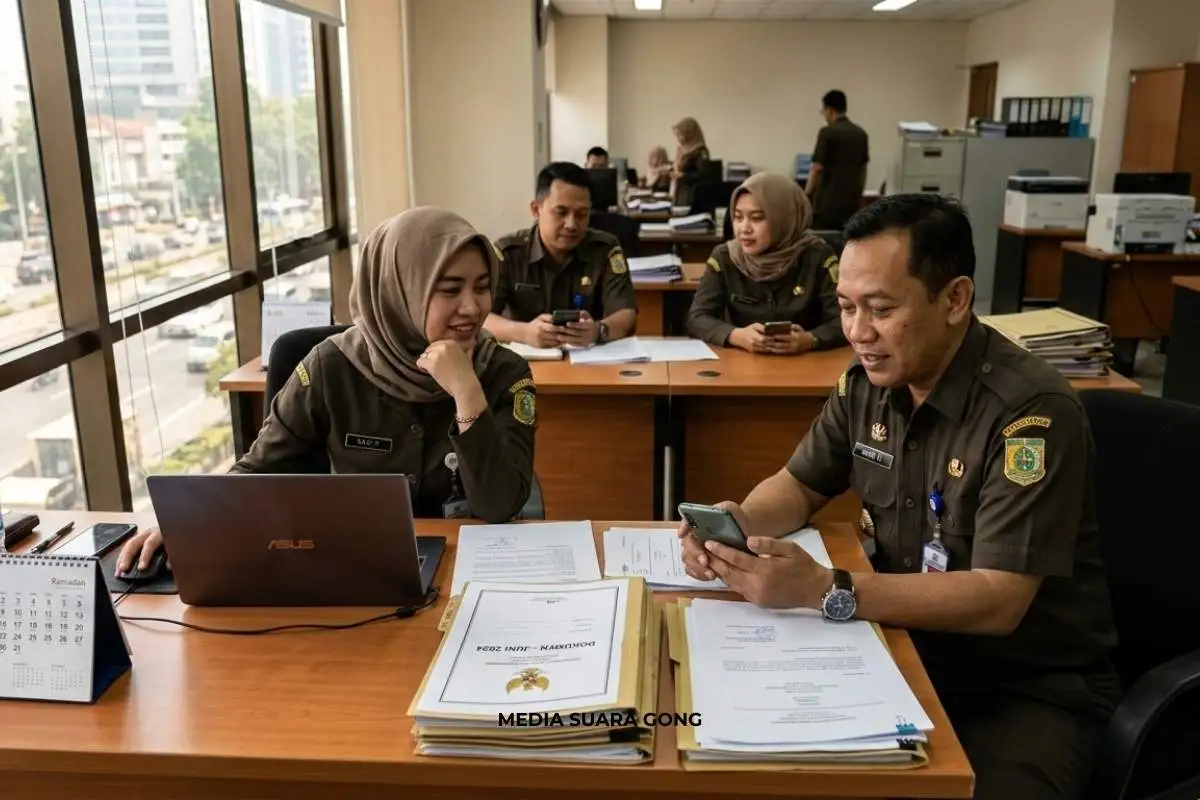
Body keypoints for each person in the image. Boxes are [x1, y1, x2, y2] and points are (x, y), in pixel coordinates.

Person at [677, 194, 1119, 800]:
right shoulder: (867, 383)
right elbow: (798, 485)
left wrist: (824, 589)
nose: (859, 333)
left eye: (882, 309)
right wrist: (742, 521)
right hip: (900, 645)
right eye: (846, 307)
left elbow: (999, 599)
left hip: (1024, 686)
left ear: (955, 299)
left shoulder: (1030, 416)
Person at [117, 207, 538, 575]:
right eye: (450, 289)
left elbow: (500, 506)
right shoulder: (332, 366)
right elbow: (261, 470)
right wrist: (190, 519)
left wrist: (467, 393)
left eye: (481, 287)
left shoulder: (503, 372)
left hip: (468, 572)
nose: (472, 307)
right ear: (401, 290)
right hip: (355, 567)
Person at [686, 172, 845, 355]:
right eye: (738, 217)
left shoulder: (818, 256)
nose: (744, 229)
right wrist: (735, 335)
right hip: (742, 363)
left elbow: (844, 319)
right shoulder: (725, 257)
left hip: (808, 362)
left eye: (756, 218)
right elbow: (696, 318)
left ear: (783, 218)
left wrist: (811, 339)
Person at [485, 161, 637, 349]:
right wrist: (524, 332)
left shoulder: (605, 249)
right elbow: (482, 318)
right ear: (536, 210)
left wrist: (597, 331)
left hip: (589, 359)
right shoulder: (508, 253)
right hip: (525, 361)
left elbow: (626, 314)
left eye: (582, 214)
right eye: (561, 212)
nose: (571, 224)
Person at [806, 90, 869, 230]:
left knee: (824, 241)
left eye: (823, 111)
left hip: (827, 205)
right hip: (851, 205)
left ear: (830, 110)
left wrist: (807, 195)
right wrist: (859, 196)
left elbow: (817, 168)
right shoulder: (860, 134)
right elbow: (863, 170)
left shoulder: (827, 133)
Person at [670, 116, 711, 208]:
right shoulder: (681, 150)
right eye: (677, 135)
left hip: (692, 195)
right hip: (679, 193)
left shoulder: (700, 150)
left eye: (681, 135)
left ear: (689, 133)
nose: (679, 138)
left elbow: (703, 175)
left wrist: (683, 175)